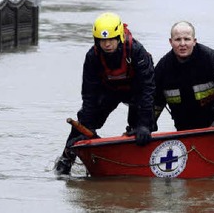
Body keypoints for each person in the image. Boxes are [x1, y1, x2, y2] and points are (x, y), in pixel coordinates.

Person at [55, 12, 155, 175]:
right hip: (109, 91)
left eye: (111, 40)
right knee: (82, 125)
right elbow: (89, 94)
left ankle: (138, 165)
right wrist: (86, 125)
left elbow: (148, 89)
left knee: (142, 129)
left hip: (136, 92)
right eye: (102, 40)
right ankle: (65, 161)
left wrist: (144, 124)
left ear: (119, 38)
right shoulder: (92, 56)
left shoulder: (137, 51)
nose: (107, 44)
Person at [154, 21, 214, 131]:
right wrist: (142, 126)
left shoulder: (211, 59)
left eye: (187, 39)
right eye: (178, 39)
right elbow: (154, 105)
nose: (182, 44)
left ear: (194, 41)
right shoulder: (162, 69)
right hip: (186, 131)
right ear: (170, 42)